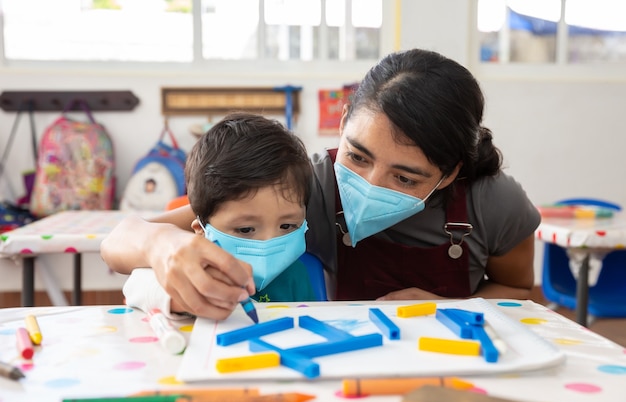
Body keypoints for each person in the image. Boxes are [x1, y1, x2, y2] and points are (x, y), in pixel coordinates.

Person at [101, 48, 540, 320]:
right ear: (345, 122)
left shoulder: (495, 203)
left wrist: (448, 308)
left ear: (450, 173)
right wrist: (161, 245)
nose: (369, 184)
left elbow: (519, 292)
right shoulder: (310, 186)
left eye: (405, 177)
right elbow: (118, 244)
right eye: (357, 156)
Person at [121, 112, 315, 318]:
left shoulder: (295, 275)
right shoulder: (184, 270)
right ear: (201, 231)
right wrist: (178, 298)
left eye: (287, 226)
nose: (269, 242)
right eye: (246, 229)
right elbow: (135, 288)